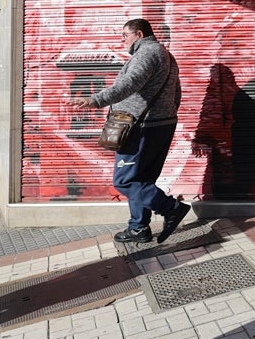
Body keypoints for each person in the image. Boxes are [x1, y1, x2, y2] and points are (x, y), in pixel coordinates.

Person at [70, 19, 190, 244]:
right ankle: (138, 228)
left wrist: (95, 100)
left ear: (140, 34)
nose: (122, 40)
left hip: (142, 128)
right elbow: (177, 93)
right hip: (160, 125)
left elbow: (129, 84)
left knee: (124, 181)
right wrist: (165, 115)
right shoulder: (166, 55)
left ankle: (171, 208)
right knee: (142, 179)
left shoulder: (146, 54)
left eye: (125, 35)